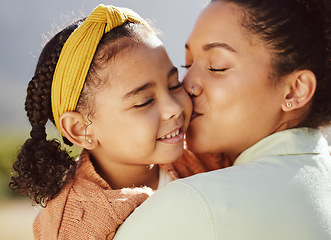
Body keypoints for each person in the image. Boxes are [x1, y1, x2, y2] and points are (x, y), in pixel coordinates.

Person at [114, 0, 331, 239]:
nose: (186, 85)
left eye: (217, 67)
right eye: (187, 64)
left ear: (295, 91)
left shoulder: (195, 203)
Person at [8, 4, 195, 239]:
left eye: (174, 85)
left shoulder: (199, 152)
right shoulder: (73, 226)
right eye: (145, 101)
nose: (174, 108)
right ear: (80, 128)